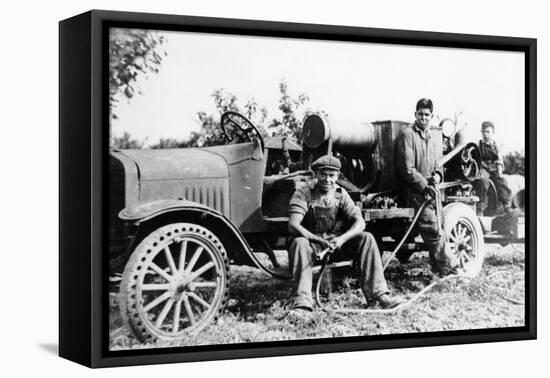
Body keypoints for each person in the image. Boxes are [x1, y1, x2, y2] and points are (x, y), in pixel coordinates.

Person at [287, 154, 403, 311]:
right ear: (316, 174)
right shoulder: (304, 192)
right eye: (323, 175)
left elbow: (360, 222)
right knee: (299, 242)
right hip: (312, 246)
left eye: (332, 175)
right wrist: (318, 240)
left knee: (366, 238)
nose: (328, 180)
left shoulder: (340, 194)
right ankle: (302, 303)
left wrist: (341, 239)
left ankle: (378, 296)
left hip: (335, 245)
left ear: (337, 176)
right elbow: (293, 225)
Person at [395, 98, 452, 274]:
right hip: (414, 191)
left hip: (431, 190)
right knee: (433, 231)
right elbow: (406, 168)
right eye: (420, 114)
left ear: (432, 116)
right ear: (415, 114)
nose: (424, 118)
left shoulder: (433, 136)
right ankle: (449, 271)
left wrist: (437, 175)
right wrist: (423, 186)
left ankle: (437, 271)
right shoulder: (407, 134)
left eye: (427, 115)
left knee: (440, 228)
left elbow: (438, 165)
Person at [474, 121, 514, 215]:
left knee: (502, 181)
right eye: (483, 132)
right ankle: (480, 207)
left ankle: (507, 206)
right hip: (483, 168)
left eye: (488, 132)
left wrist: (499, 170)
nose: (485, 134)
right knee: (482, 181)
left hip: (494, 168)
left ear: (493, 132)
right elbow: (475, 159)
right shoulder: (478, 144)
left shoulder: (497, 145)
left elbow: (499, 160)